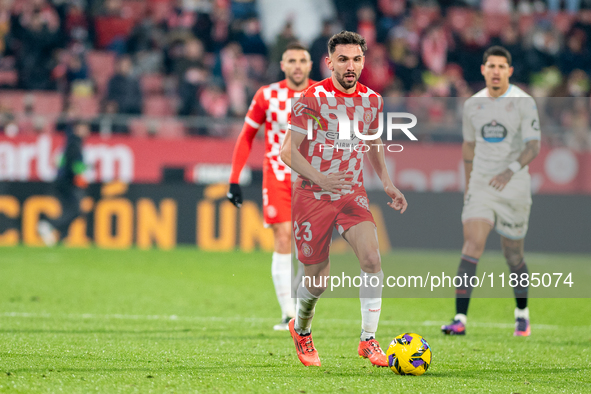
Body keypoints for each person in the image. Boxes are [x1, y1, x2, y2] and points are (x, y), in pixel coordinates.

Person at [280, 31, 408, 367]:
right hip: (312, 195)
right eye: (343, 60)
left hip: (352, 192)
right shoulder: (312, 98)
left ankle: (368, 340)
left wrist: (387, 182)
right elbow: (286, 152)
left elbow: (374, 141)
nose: (350, 66)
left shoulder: (372, 101)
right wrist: (320, 177)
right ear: (330, 62)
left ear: (363, 61)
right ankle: (302, 330)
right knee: (317, 280)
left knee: (372, 259)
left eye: (356, 59)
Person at [441, 46, 541, 337]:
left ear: (509, 71)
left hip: (515, 186)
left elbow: (533, 145)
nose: (496, 71)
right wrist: (469, 183)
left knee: (513, 254)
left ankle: (522, 313)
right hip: (482, 184)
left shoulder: (524, 102)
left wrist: (510, 170)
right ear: (483, 70)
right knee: (472, 244)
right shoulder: (472, 104)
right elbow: (469, 146)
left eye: (502, 66)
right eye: (491, 66)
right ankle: (460, 318)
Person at [227, 42, 315, 331]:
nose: (298, 66)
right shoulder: (267, 95)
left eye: (303, 60)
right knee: (283, 235)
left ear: (311, 64)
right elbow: (246, 136)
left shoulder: (324, 94)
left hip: (311, 178)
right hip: (277, 174)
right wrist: (234, 178)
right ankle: (288, 313)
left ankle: (302, 310)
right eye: (292, 61)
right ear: (283, 65)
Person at [38, 121, 90, 246]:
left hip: (63, 182)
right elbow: (72, 165)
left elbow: (61, 161)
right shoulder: (74, 143)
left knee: (68, 210)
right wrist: (78, 175)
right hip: (67, 183)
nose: (87, 131)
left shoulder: (71, 142)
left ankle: (61, 238)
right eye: (85, 128)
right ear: (78, 129)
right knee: (76, 211)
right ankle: (49, 224)